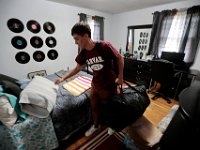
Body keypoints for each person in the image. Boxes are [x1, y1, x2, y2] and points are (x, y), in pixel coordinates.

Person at [55, 22, 124, 136]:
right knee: (95, 107)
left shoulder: (104, 46)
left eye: (77, 39)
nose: (75, 42)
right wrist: (63, 78)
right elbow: (78, 68)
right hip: (95, 84)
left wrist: (120, 77)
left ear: (86, 36)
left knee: (110, 107)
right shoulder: (84, 53)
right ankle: (96, 125)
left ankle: (113, 125)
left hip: (109, 84)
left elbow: (120, 58)